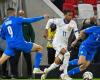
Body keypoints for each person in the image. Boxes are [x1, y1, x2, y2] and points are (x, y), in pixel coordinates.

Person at [0, 7, 48, 73]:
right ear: (14, 13)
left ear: (7, 14)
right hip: (20, 44)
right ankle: (36, 68)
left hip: (10, 46)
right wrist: (42, 17)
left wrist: (10, 38)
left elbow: (2, 36)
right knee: (40, 48)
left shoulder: (3, 25)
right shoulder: (17, 19)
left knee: (1, 61)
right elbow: (31, 20)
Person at [41, 10, 79, 80]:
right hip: (56, 43)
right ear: (64, 15)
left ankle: (46, 71)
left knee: (56, 63)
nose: (71, 17)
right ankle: (65, 75)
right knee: (67, 54)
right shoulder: (59, 21)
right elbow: (49, 21)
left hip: (64, 45)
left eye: (72, 15)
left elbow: (76, 32)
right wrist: (46, 31)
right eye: (69, 15)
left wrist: (76, 40)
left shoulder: (73, 23)